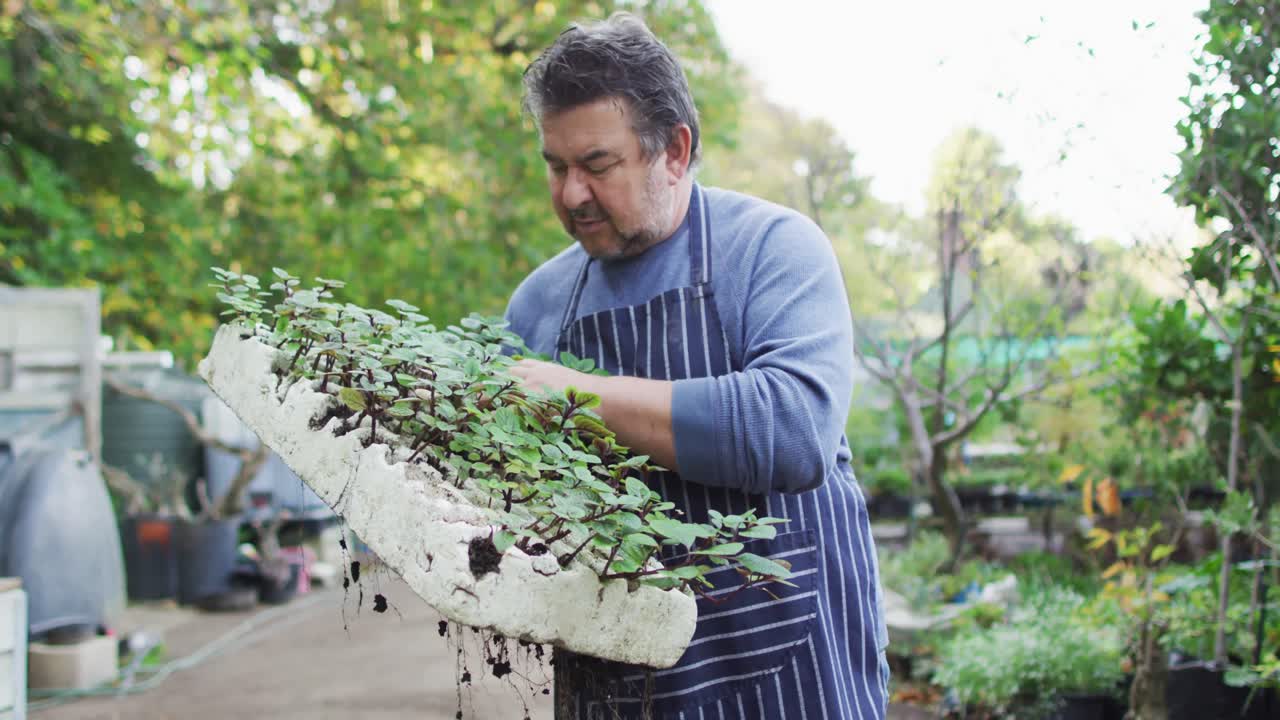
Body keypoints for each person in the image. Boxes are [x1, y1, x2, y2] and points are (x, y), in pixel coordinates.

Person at [503, 12, 888, 720]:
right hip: (616, 689)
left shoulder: (773, 251)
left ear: (673, 151)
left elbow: (792, 429)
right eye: (555, 166)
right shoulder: (537, 308)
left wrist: (576, 398)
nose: (571, 195)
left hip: (788, 681)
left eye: (597, 165)